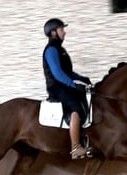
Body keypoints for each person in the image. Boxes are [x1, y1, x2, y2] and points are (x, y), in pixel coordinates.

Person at [42, 18, 92, 160]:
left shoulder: (59, 49)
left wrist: (82, 79)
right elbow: (57, 73)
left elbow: (67, 72)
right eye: (61, 29)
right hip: (56, 87)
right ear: (53, 32)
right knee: (76, 108)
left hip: (63, 84)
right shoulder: (51, 49)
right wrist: (74, 85)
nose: (64, 32)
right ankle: (76, 147)